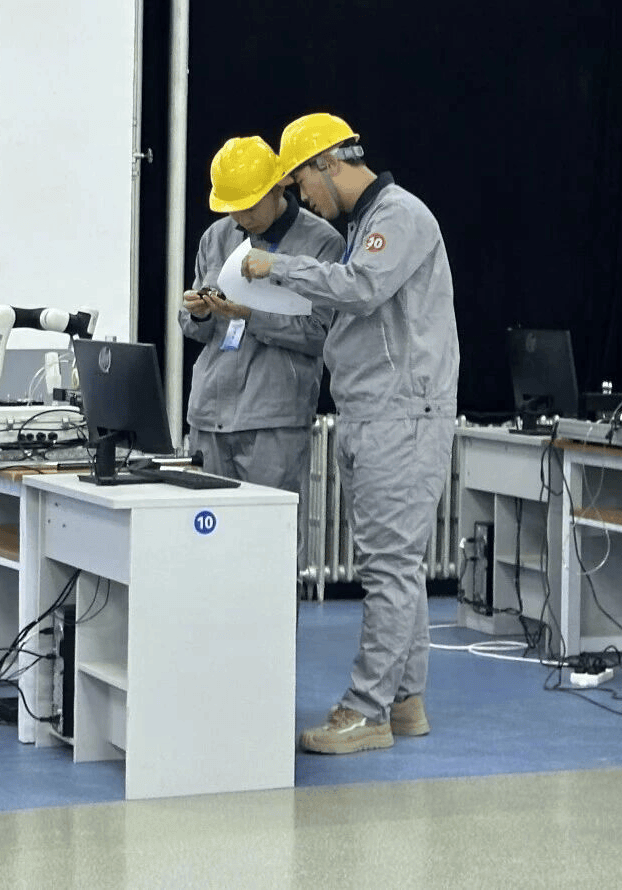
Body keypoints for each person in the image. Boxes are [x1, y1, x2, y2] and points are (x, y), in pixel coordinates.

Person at [242, 113, 458, 755]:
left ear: (328, 164)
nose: (304, 198)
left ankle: (366, 711)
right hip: (372, 411)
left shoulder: (399, 215)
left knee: (388, 568)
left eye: (302, 182)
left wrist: (276, 268)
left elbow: (361, 288)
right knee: (395, 565)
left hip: (400, 414)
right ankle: (405, 699)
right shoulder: (365, 224)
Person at [180, 136, 343, 509]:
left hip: (273, 420)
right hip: (208, 412)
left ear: (278, 188)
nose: (240, 218)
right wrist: (197, 312)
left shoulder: (322, 243)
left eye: (249, 207)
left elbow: (320, 334)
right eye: (232, 208)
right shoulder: (216, 237)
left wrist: (249, 316)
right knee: (205, 530)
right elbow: (194, 329)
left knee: (268, 532)